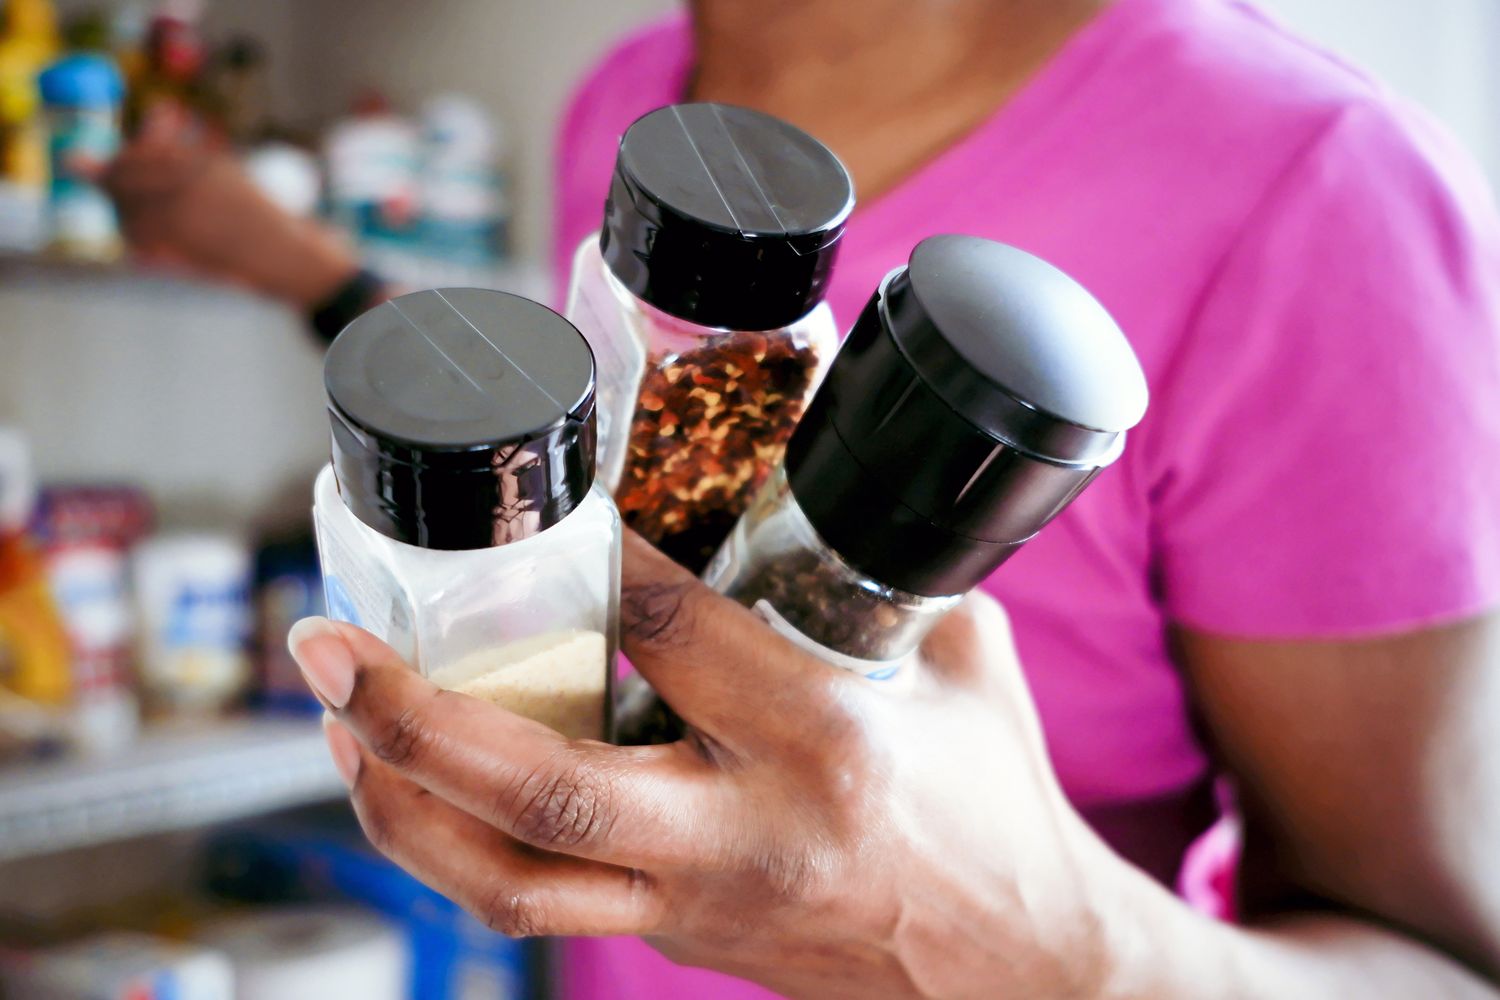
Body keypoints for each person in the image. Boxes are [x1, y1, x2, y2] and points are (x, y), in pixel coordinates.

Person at [108, 0, 1500, 996]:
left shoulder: (1323, 188)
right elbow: (599, 446)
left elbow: (1434, 965)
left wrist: (1046, 951)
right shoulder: (637, 90)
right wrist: (322, 287)